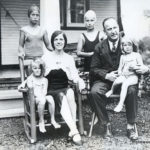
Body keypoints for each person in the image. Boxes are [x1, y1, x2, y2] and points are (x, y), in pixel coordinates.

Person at [88, 17, 143, 140]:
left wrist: (143, 69)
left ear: (119, 28)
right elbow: (93, 68)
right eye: (109, 29)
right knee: (94, 92)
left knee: (132, 90)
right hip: (105, 80)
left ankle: (130, 126)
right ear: (104, 31)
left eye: (115, 28)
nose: (113, 31)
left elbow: (139, 62)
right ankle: (106, 124)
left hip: (126, 78)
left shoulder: (128, 43)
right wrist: (107, 75)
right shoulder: (99, 47)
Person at [42, 30, 85, 145]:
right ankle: (75, 131)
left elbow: (74, 75)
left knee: (70, 92)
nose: (58, 42)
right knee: (62, 96)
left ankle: (72, 128)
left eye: (61, 39)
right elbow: (39, 75)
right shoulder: (46, 57)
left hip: (64, 87)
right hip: (51, 89)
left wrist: (79, 81)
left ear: (65, 42)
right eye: (56, 39)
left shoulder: (69, 58)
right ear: (52, 42)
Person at [18, 58, 60, 133]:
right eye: (35, 68)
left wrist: (42, 96)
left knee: (50, 98)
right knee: (42, 99)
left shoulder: (45, 80)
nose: (37, 70)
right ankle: (41, 121)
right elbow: (31, 91)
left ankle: (53, 119)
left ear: (42, 69)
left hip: (42, 97)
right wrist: (22, 84)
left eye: (39, 68)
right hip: (33, 99)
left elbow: (44, 91)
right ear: (32, 69)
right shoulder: (30, 79)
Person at [105, 36, 143, 112]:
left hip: (133, 76)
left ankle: (120, 104)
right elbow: (120, 68)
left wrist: (135, 67)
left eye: (129, 45)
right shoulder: (123, 57)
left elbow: (141, 67)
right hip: (124, 75)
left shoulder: (136, 55)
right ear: (122, 47)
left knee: (125, 84)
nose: (127, 47)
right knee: (117, 81)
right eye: (125, 45)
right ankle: (112, 90)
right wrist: (120, 73)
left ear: (133, 46)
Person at [18, 4, 52, 78]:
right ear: (29, 16)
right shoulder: (24, 30)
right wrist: (21, 52)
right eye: (33, 15)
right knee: (32, 81)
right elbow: (20, 46)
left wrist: (56, 50)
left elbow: (48, 45)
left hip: (41, 59)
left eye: (37, 15)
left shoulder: (43, 30)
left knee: (41, 80)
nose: (35, 17)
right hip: (29, 61)